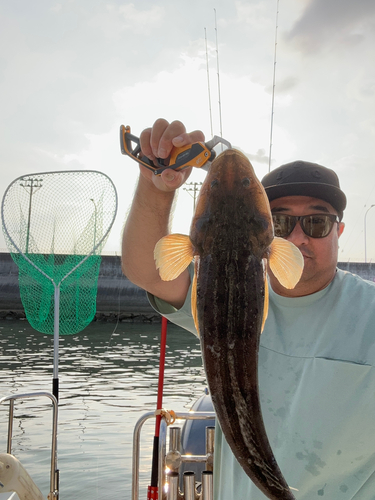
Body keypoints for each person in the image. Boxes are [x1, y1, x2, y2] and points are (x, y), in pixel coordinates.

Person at [122, 118, 375, 499]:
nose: (299, 236)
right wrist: (157, 187)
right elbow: (146, 269)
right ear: (268, 230)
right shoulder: (210, 294)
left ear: (338, 230)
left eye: (318, 222)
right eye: (283, 221)